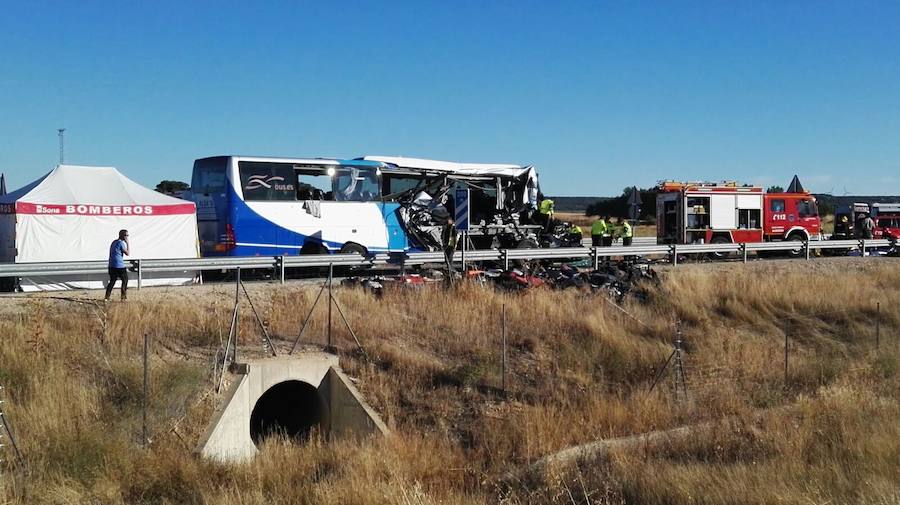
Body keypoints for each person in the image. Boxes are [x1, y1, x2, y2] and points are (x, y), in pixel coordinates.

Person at [105, 229, 130, 301]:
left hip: (111, 265)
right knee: (125, 280)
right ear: (123, 236)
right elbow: (128, 253)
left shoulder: (114, 242)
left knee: (112, 281)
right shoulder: (121, 243)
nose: (127, 237)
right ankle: (123, 297)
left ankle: (107, 297)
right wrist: (127, 243)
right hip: (119, 265)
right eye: (126, 235)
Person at [441, 216, 458, 283]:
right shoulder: (445, 227)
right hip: (446, 244)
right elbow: (443, 234)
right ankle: (449, 267)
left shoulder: (453, 227)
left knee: (450, 256)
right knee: (446, 257)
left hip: (451, 244)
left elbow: (455, 235)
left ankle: (450, 267)